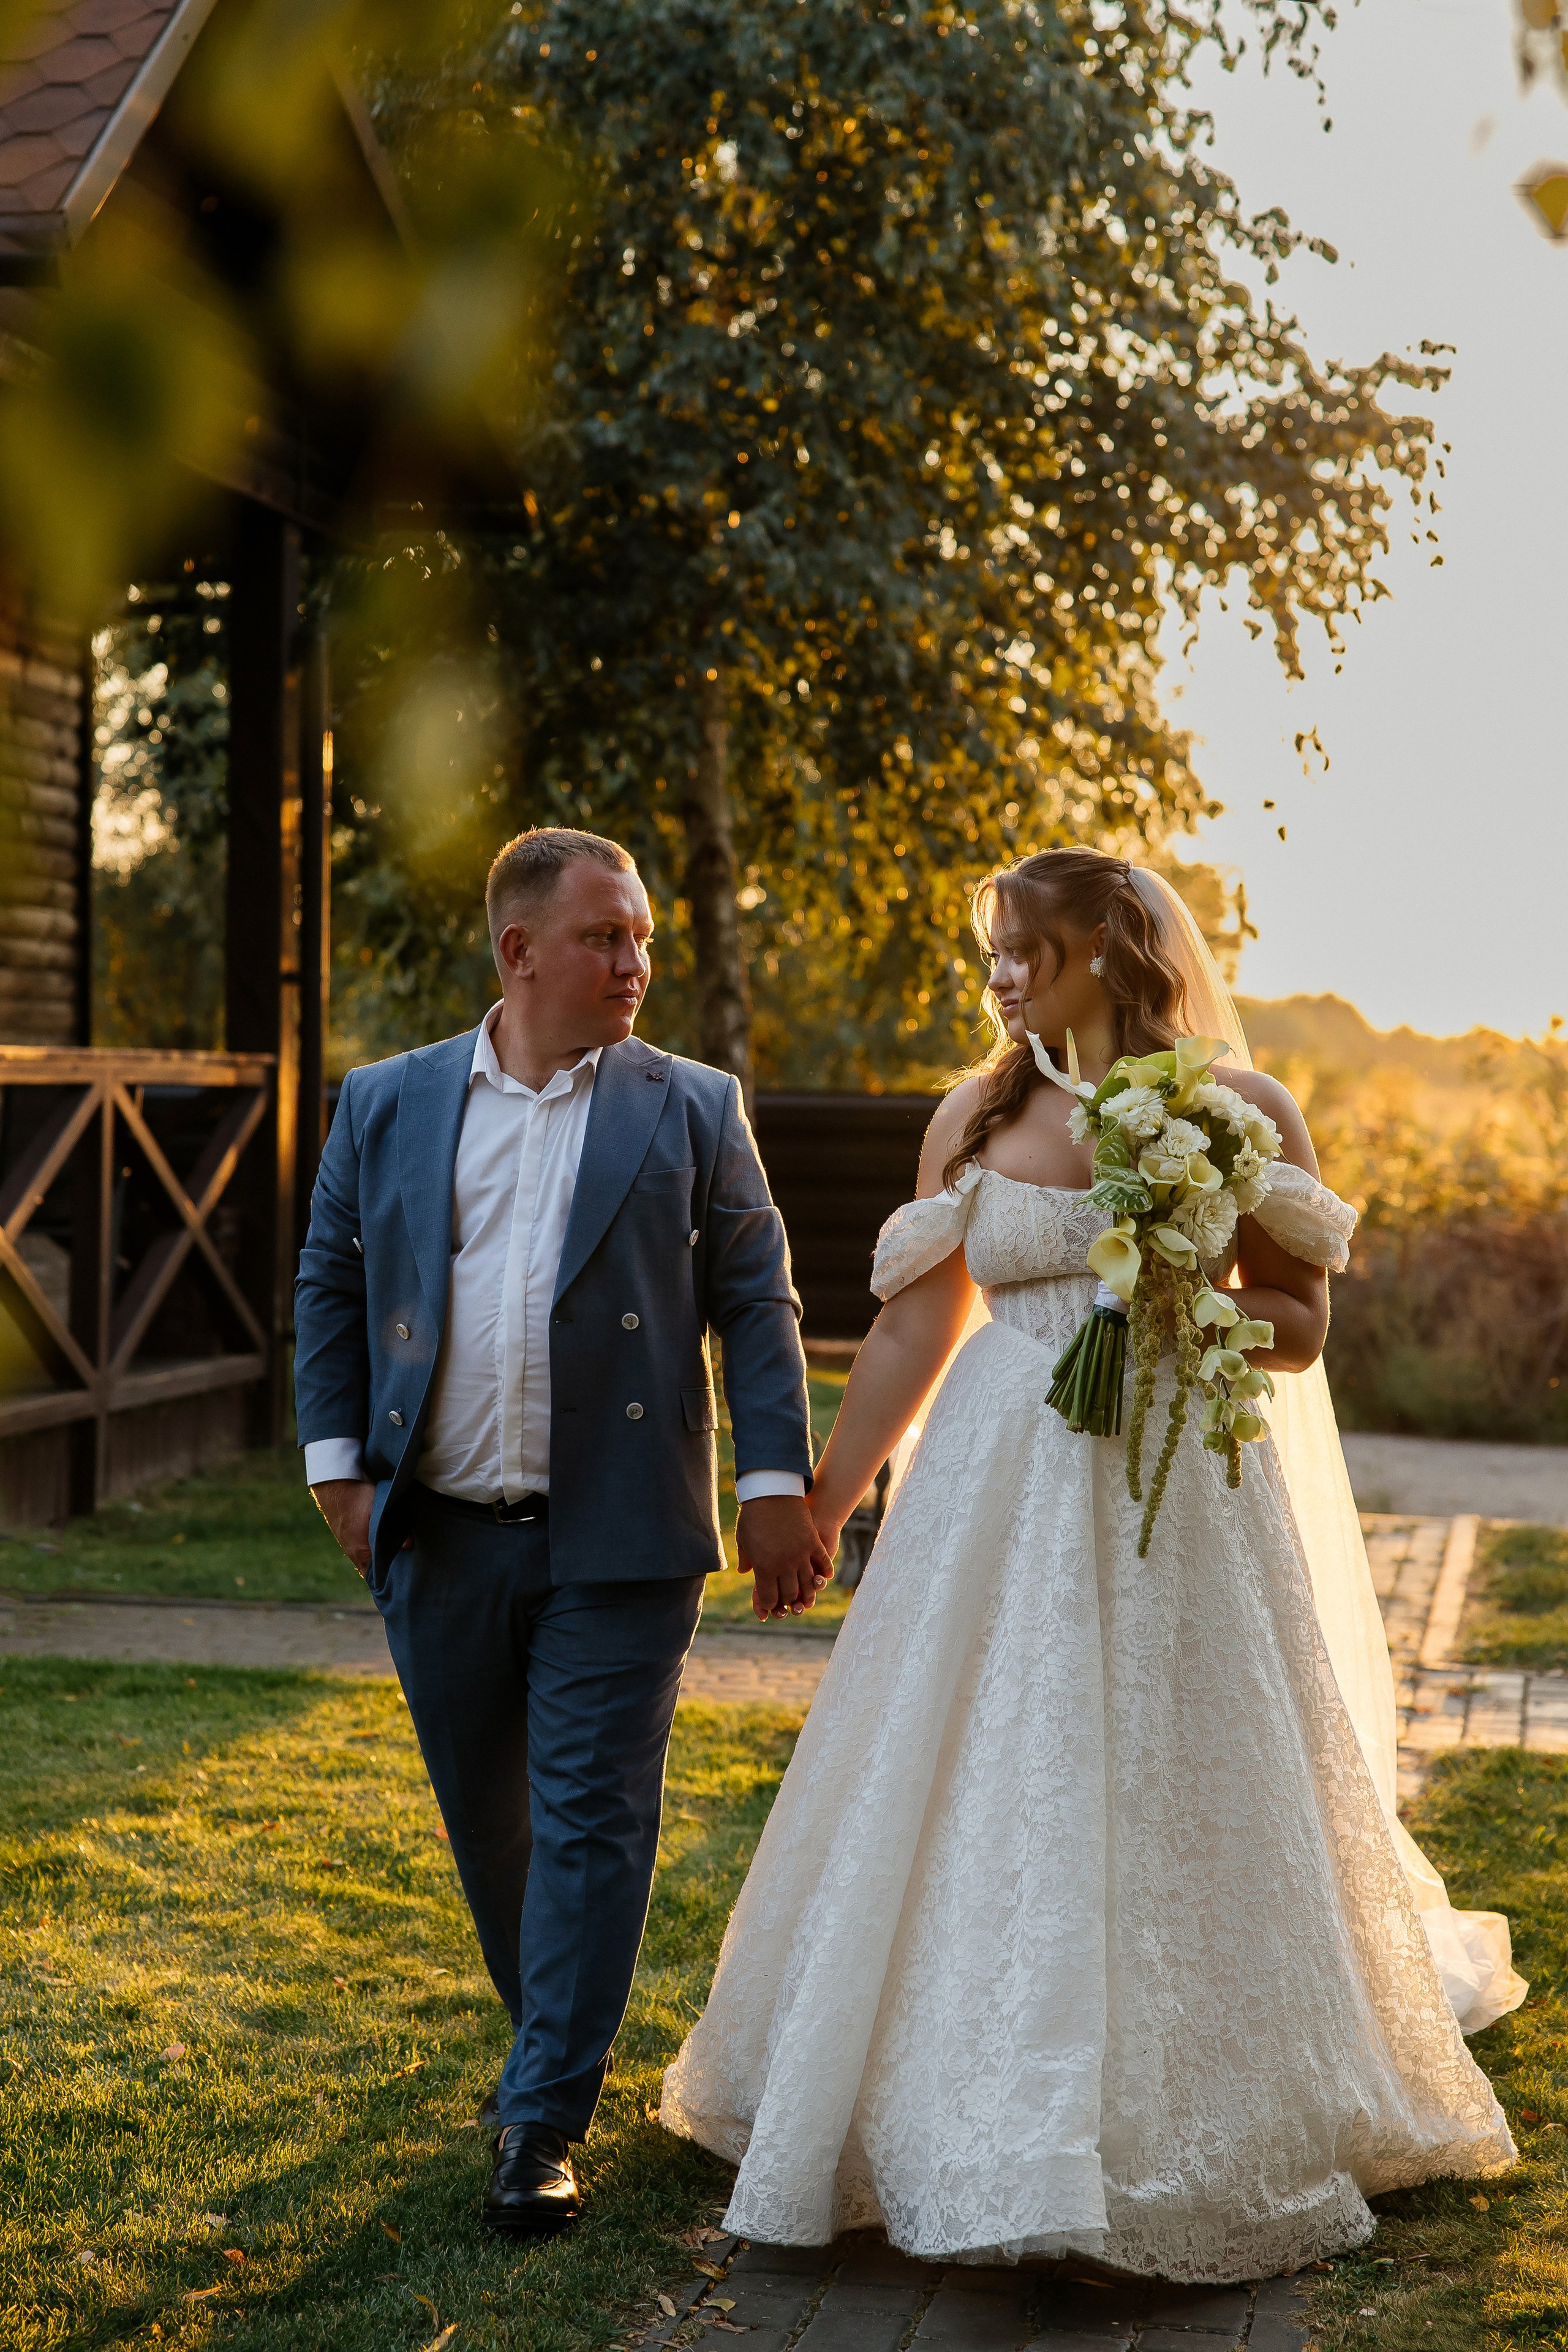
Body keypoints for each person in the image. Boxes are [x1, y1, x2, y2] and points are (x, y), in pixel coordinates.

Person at [660, 845, 1523, 2283]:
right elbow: (912, 1333)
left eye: (1024, 950)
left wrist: (1185, 1301)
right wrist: (824, 1492)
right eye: (991, 952)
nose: (999, 977)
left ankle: (1190, 2108)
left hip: (1174, 1490)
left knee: (1176, 1766)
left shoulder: (1240, 1112)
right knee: (985, 1766)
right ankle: (946, 2092)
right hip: (991, 1483)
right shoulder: (971, 1117)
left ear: (1114, 954)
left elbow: (1301, 1324)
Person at [294, 826, 830, 2237]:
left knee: (592, 1819)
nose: (636, 962)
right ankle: (554, 2042)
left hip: (623, 1534)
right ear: (518, 952)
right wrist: (336, 1467)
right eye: (606, 937)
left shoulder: (693, 1105)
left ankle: (542, 2119)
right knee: (492, 1823)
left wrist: (775, 1478)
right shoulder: (389, 1102)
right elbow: (330, 1281)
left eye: (644, 936)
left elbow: (756, 1304)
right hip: (437, 1529)